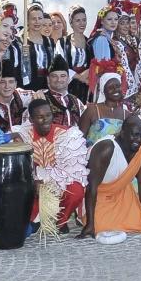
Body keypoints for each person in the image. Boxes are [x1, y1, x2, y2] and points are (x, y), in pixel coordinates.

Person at [80, 116, 141, 245]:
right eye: (134, 135)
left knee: (139, 222)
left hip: (123, 195)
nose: (138, 140)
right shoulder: (106, 148)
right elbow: (91, 187)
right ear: (122, 133)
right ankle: (89, 219)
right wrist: (90, 224)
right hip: (98, 197)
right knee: (101, 226)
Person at [20, 98, 89, 232]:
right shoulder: (22, 134)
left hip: (60, 180)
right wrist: (33, 181)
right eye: (39, 117)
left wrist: (47, 180)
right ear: (31, 119)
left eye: (48, 115)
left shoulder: (67, 135)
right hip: (33, 183)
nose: (45, 120)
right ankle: (37, 219)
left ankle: (60, 221)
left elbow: (71, 170)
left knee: (76, 190)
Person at [81, 61, 132, 144]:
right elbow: (79, 138)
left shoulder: (126, 114)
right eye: (111, 87)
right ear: (103, 91)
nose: (115, 89)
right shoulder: (92, 111)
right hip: (93, 156)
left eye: (117, 86)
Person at [41, 56, 85, 129]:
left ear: (68, 79)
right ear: (48, 79)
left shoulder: (76, 101)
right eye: (54, 76)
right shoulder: (41, 98)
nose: (59, 80)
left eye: (63, 76)